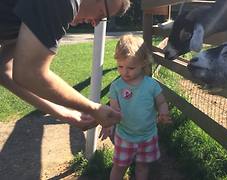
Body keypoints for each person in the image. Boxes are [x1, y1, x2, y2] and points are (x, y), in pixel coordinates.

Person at [0, 0, 130, 130]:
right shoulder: (63, 3)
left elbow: (4, 70)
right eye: (101, 13)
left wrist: (65, 114)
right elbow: (30, 74)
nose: (95, 23)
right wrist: (93, 108)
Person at [99, 34, 171, 180]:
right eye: (120, 66)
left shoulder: (151, 85)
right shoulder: (116, 86)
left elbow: (161, 102)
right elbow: (114, 110)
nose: (125, 71)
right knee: (119, 167)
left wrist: (163, 113)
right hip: (125, 136)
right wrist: (108, 125)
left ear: (143, 63)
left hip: (147, 136)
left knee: (143, 167)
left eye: (130, 67)